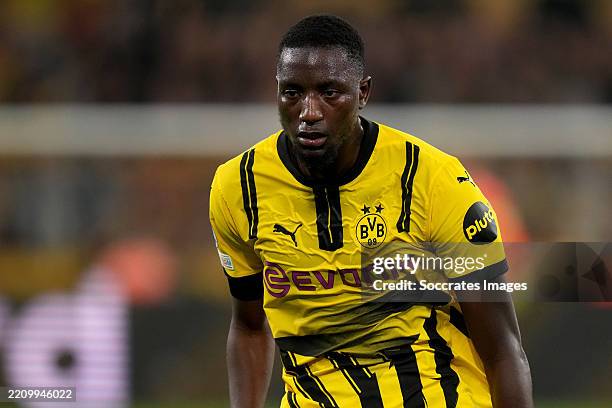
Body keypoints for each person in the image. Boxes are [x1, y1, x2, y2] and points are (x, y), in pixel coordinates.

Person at [209, 14, 532, 408]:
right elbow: (248, 325)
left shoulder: (432, 179)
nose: (309, 111)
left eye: (329, 92)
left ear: (362, 92)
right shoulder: (238, 187)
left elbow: (502, 348)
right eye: (292, 92)